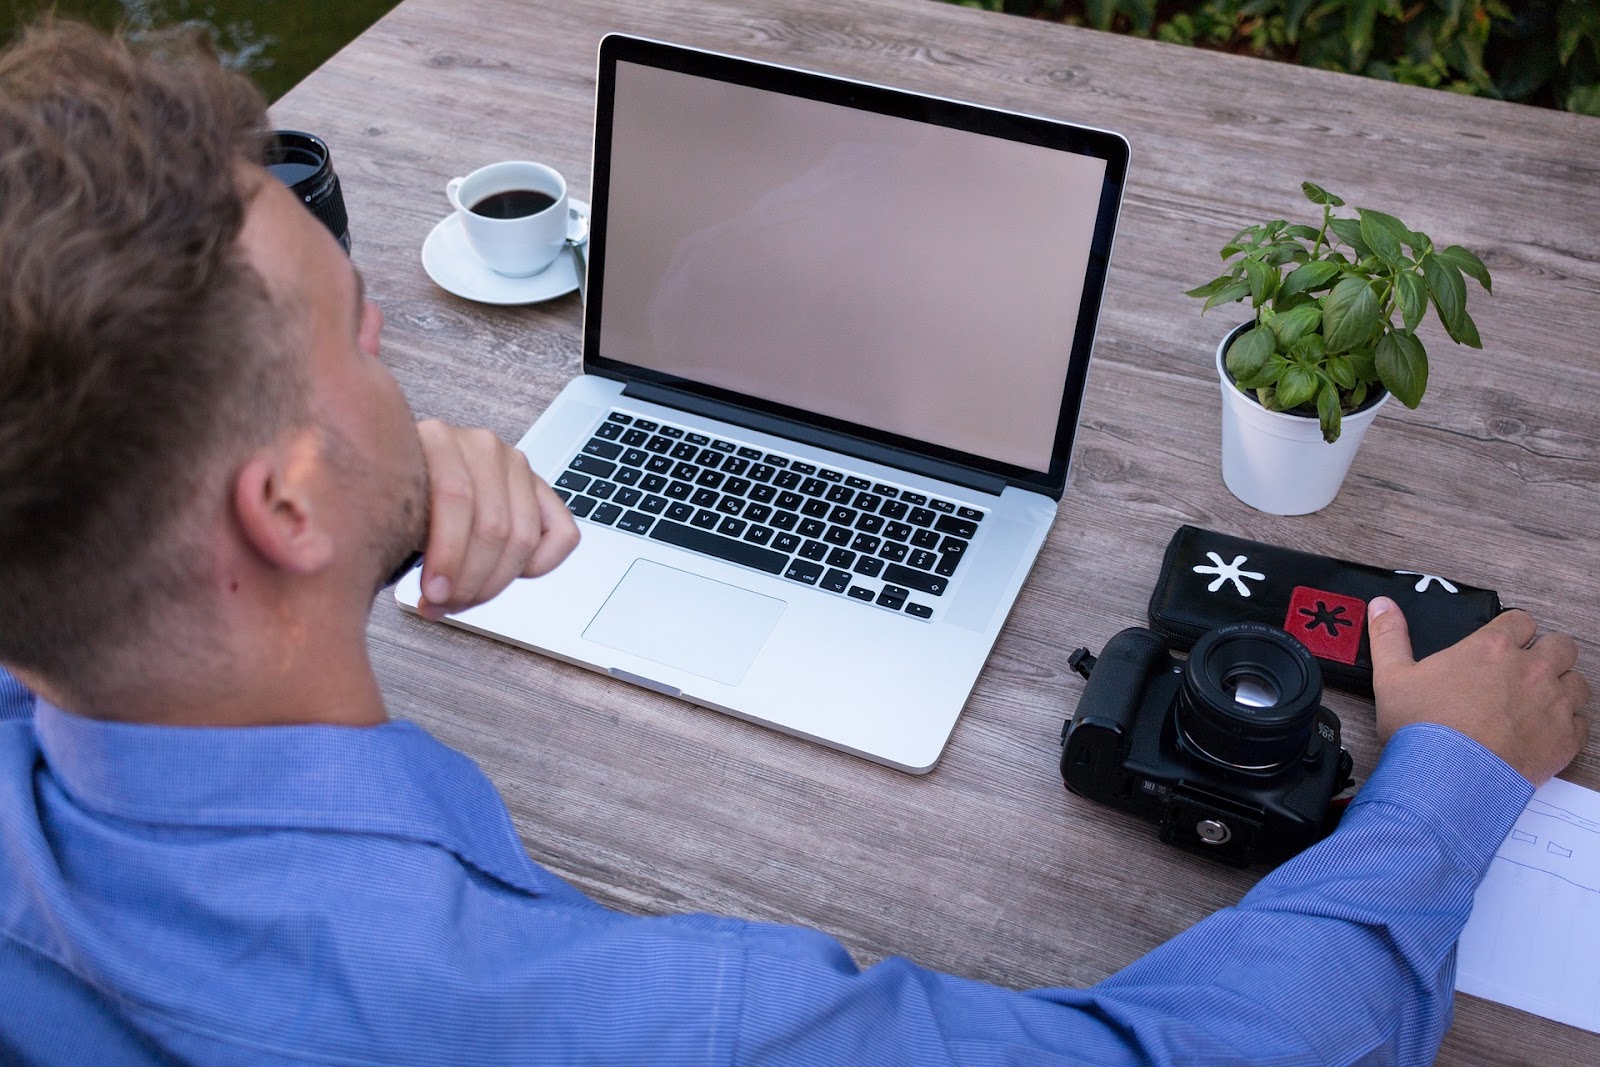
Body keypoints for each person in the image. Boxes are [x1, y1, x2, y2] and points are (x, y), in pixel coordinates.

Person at [0, 20, 1590, 1067]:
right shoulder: (663, 1022)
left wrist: (371, 493)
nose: (395, 372)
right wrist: (1453, 785)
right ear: (274, 507)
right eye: (361, 331)